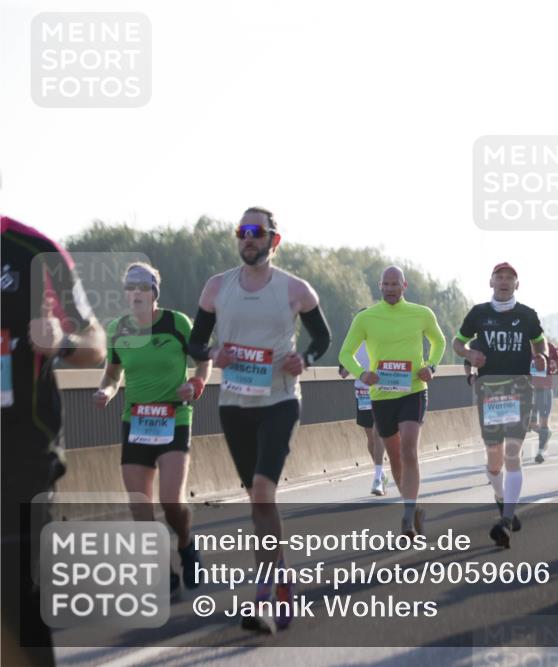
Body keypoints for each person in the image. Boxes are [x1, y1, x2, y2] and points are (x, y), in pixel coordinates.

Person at [188, 207, 332, 632]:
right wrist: (214, 354)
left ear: (274, 240)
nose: (248, 239)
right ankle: (283, 575)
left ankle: (262, 598)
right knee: (257, 499)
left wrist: (302, 359)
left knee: (264, 492)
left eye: (256, 232)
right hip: (234, 404)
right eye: (242, 232)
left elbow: (321, 338)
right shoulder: (217, 288)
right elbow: (196, 341)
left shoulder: (294, 290)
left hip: (280, 401)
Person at [2, 216, 105, 667]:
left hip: (22, 450)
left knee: (16, 591)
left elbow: (95, 342)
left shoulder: (33, 250)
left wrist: (62, 341)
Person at [93, 262, 210, 593]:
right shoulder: (118, 328)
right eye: (129, 288)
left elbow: (204, 358)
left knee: (171, 501)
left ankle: (186, 545)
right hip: (136, 421)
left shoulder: (177, 324)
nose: (135, 294)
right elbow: (113, 373)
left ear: (154, 293)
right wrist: (105, 390)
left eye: (142, 288)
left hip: (174, 417)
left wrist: (197, 382)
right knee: (139, 505)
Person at [339, 266, 446, 539]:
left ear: (404, 285)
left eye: (394, 284)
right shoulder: (366, 318)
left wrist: (431, 367)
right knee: (396, 456)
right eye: (385, 284)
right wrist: (362, 374)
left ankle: (407, 518)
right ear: (380, 286)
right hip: (382, 395)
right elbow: (345, 353)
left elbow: (439, 341)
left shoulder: (422, 314)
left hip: (413, 390)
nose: (389, 288)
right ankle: (414, 508)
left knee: (409, 448)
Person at [453, 262, 548, 547]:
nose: (504, 281)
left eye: (510, 278)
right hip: (489, 390)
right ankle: (501, 498)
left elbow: (541, 344)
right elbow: (457, 343)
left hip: (520, 388)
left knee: (512, 454)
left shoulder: (527, 315)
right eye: (500, 277)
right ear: (491, 282)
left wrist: (541, 357)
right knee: (494, 460)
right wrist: (469, 354)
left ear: (517, 284)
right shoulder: (479, 314)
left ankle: (506, 520)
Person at [339, 336, 390, 496]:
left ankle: (377, 478)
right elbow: (343, 372)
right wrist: (350, 367)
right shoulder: (353, 344)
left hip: (381, 391)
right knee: (371, 439)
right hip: (362, 393)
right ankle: (380, 472)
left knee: (377, 433)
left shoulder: (380, 339)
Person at [529, 338, 558, 464]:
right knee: (529, 423)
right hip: (529, 389)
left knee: (543, 422)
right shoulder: (523, 347)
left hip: (545, 389)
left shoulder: (549, 346)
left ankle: (540, 452)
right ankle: (545, 434)